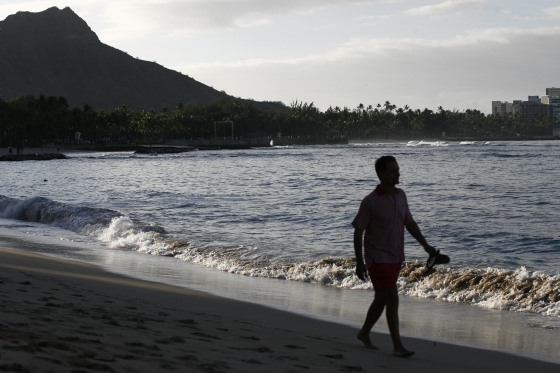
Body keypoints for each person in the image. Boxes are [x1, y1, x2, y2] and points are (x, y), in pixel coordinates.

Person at [352, 155, 437, 358]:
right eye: (393, 170)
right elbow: (358, 231)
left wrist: (426, 246)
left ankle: (364, 333)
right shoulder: (370, 201)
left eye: (397, 170)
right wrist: (360, 262)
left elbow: (409, 223)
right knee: (392, 297)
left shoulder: (401, 196)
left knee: (381, 298)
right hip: (376, 258)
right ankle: (397, 346)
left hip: (396, 256)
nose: (397, 173)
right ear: (381, 174)